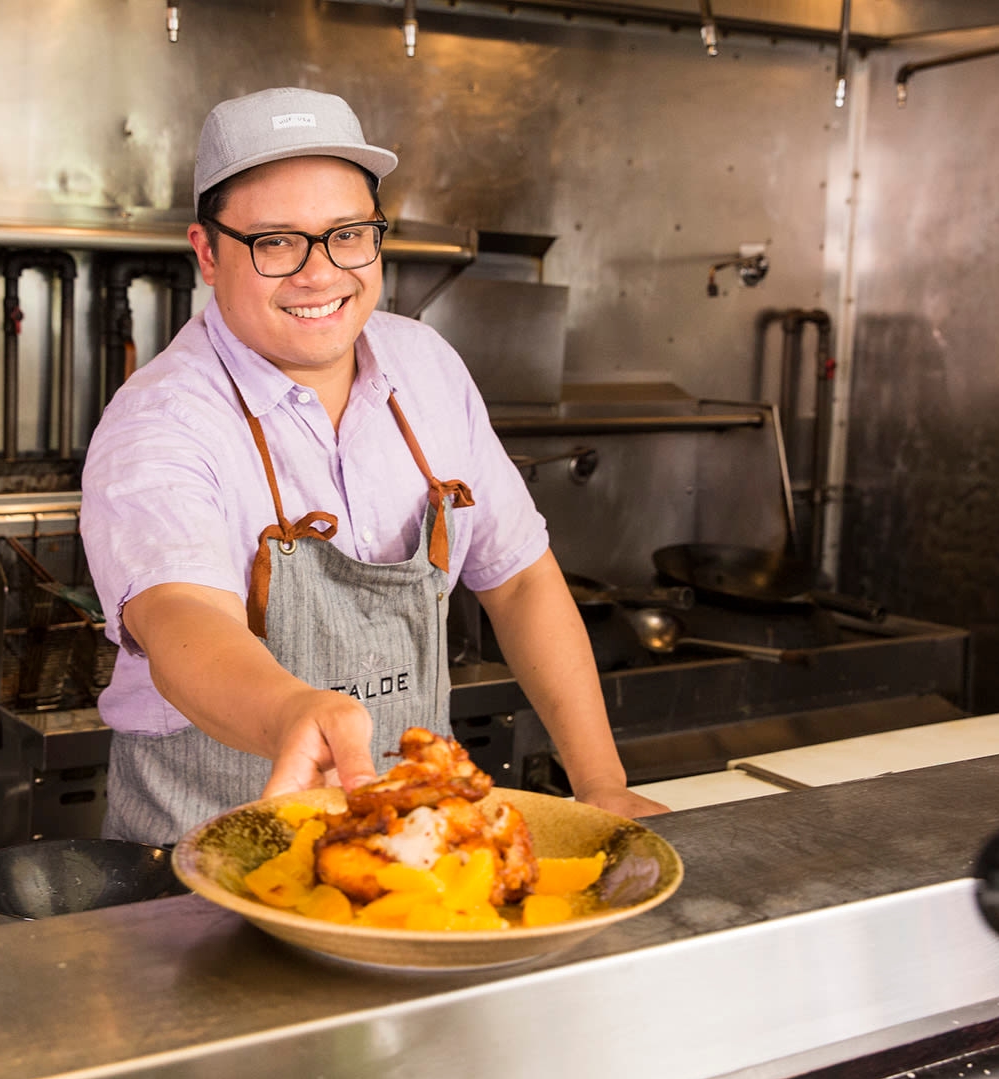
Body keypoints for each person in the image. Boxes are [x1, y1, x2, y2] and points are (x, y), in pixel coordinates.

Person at [81, 86, 669, 847]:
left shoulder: (425, 366)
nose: (320, 274)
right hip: (205, 861)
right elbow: (181, 620)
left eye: (348, 234)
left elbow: (520, 579)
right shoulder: (162, 418)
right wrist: (291, 712)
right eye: (276, 242)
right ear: (208, 253)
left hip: (411, 853)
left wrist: (601, 785)